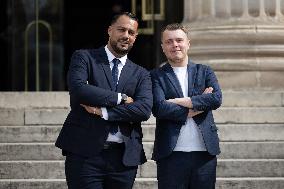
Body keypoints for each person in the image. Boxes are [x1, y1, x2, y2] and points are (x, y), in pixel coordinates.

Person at [55, 12, 153, 189]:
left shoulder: (142, 74)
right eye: (121, 30)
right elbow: (79, 89)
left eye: (131, 32)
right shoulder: (85, 58)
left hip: (123, 160)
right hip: (84, 154)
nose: (126, 36)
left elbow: (144, 110)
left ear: (135, 37)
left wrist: (104, 112)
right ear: (109, 30)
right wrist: (120, 98)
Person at [151, 23, 222, 189]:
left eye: (179, 40)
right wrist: (199, 103)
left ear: (188, 43)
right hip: (170, 154)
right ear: (162, 47)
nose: (175, 45)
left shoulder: (205, 71)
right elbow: (160, 109)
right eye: (169, 41)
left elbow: (216, 99)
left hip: (204, 154)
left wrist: (177, 101)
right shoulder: (155, 75)